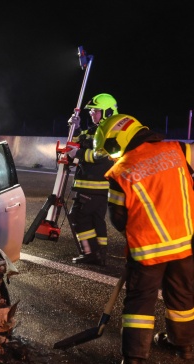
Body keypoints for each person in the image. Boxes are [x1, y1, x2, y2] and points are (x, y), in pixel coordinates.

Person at [94, 114, 194, 364]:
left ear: (121, 139)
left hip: (147, 249)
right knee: (182, 297)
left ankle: (134, 362)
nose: (113, 155)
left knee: (140, 303)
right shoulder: (179, 150)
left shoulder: (120, 171)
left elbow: (118, 219)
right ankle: (183, 346)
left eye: (112, 148)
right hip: (184, 244)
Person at [66, 93, 117, 266]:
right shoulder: (97, 130)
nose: (91, 114)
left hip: (93, 186)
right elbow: (82, 140)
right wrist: (76, 128)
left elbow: (102, 155)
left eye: (95, 111)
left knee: (77, 217)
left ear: (107, 112)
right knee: (96, 220)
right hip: (97, 187)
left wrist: (77, 154)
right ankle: (100, 253)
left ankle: (89, 253)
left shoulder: (109, 130)